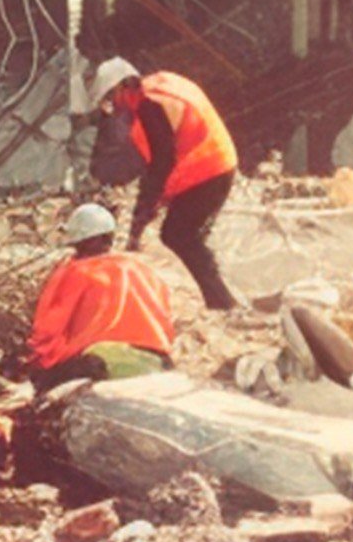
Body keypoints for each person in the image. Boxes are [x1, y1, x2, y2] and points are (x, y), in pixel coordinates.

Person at [87, 57, 239, 310]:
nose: (113, 106)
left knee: (177, 234)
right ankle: (221, 299)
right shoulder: (156, 90)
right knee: (188, 236)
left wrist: (140, 221)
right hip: (216, 162)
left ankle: (222, 302)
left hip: (207, 168)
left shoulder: (150, 106)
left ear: (125, 86)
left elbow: (161, 164)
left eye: (111, 97)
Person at [27, 202, 176, 387]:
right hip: (158, 361)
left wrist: (40, 367)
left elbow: (47, 331)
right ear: (110, 237)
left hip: (102, 360)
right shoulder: (141, 269)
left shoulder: (75, 271)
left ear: (80, 241)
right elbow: (166, 321)